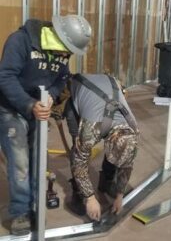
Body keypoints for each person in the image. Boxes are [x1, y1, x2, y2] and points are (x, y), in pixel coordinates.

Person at [0, 15, 92, 235]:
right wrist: (29, 104)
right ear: (58, 37)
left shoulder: (61, 51)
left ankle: (33, 204)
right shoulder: (19, 42)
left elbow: (62, 78)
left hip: (38, 110)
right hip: (11, 109)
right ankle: (20, 212)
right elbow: (5, 77)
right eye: (67, 49)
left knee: (37, 160)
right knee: (21, 161)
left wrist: (50, 95)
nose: (66, 55)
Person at [63, 73, 139, 221]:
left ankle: (106, 182)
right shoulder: (91, 129)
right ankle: (78, 194)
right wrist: (90, 198)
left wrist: (119, 196)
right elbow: (79, 162)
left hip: (104, 99)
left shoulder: (133, 131)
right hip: (78, 97)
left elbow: (127, 165)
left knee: (118, 156)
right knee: (78, 152)